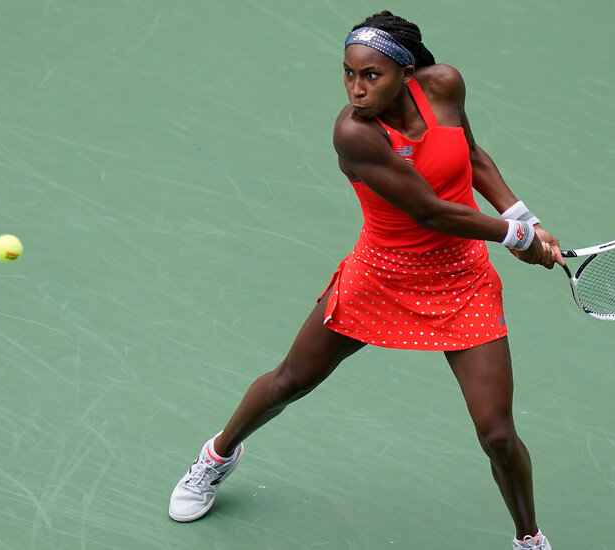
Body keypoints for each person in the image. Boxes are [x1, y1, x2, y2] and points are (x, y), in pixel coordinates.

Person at [169, 10, 562, 550]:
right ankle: (217, 454)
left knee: (497, 432)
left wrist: (527, 217)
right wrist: (515, 238)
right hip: (381, 276)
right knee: (290, 380)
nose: (356, 88)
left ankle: (529, 538)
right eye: (349, 74)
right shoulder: (354, 134)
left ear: (406, 73)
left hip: (460, 280)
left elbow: (471, 155)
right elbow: (430, 212)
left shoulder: (444, 85)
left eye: (370, 75)